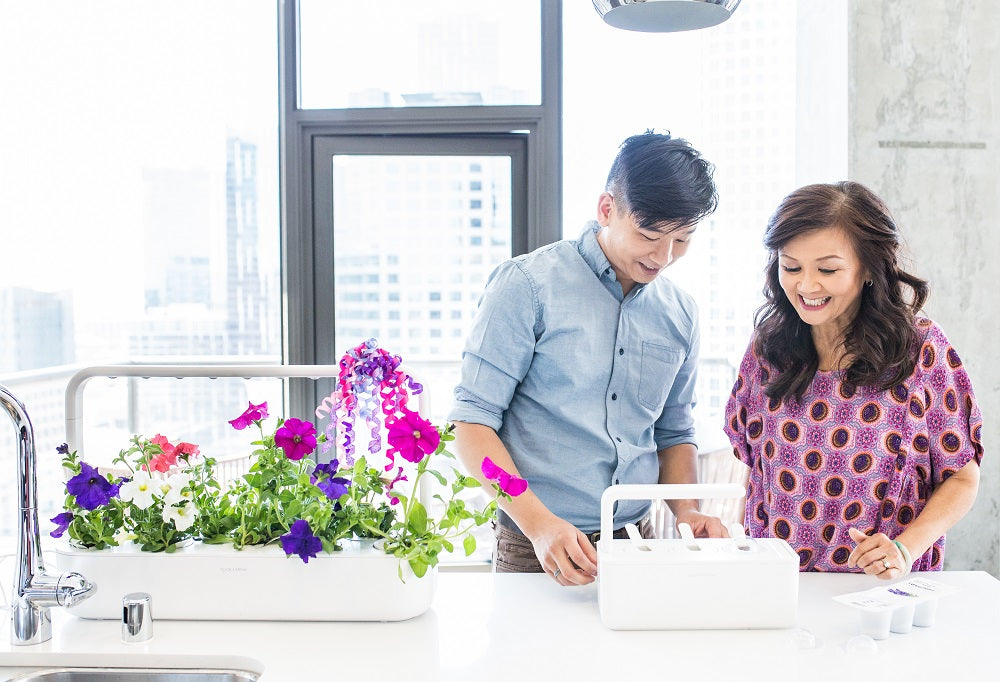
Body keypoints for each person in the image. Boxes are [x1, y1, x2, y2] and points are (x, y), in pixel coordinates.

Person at [448, 130, 726, 586]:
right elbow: (472, 425)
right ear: (606, 209)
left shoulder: (681, 313)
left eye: (683, 240)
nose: (664, 257)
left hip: (641, 539)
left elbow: (673, 430)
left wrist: (688, 510)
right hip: (535, 542)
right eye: (649, 235)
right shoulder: (526, 285)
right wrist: (538, 525)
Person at [724, 181, 983, 579]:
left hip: (883, 594)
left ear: (868, 268)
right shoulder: (767, 348)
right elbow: (756, 471)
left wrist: (903, 550)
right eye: (790, 266)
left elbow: (962, 477)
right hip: (778, 587)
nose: (806, 286)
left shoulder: (919, 349)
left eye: (827, 269)